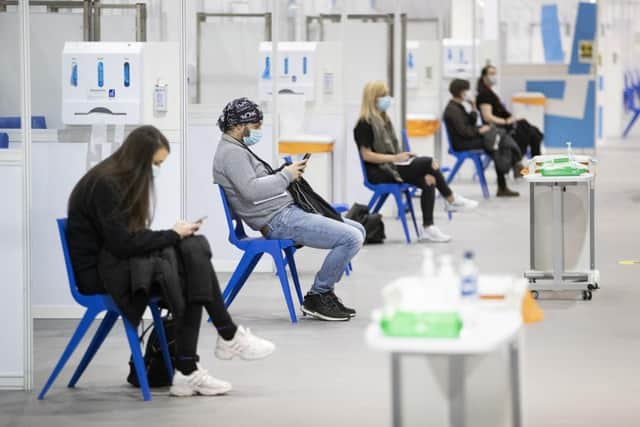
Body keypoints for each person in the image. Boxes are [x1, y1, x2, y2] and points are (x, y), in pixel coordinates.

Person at [67, 125, 275, 398]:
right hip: (101, 274)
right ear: (138, 159)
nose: (157, 170)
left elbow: (127, 239)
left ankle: (212, 351)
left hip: (116, 262)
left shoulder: (115, 180)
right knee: (189, 267)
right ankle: (213, 348)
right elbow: (121, 244)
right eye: (156, 164)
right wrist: (171, 234)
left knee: (193, 247)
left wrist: (174, 234)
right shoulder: (106, 185)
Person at [213, 98, 365, 322]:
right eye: (255, 127)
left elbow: (256, 184)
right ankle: (319, 294)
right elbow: (251, 191)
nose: (258, 131)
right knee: (351, 237)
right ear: (237, 126)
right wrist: (286, 176)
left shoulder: (236, 148)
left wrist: (285, 173)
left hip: (285, 214)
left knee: (358, 229)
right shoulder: (231, 153)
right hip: (279, 221)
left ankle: (322, 293)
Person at [354, 80, 478, 243]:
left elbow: (393, 151)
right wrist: (395, 158)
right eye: (384, 95)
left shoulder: (385, 121)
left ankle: (428, 228)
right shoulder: (364, 124)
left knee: (429, 180)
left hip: (393, 166)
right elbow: (367, 155)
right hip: (379, 172)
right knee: (428, 162)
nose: (388, 98)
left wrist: (404, 155)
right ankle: (451, 199)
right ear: (373, 98)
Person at [444, 79, 525, 197]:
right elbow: (464, 131)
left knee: (498, 139)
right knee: (497, 140)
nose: (468, 93)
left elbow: (470, 122)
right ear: (461, 92)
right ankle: (515, 165)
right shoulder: (452, 110)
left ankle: (512, 169)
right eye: (466, 91)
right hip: (462, 143)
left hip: (468, 139)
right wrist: (479, 130)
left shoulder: (458, 106)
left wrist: (472, 107)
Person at [476, 64, 543, 157]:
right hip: (498, 129)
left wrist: (510, 118)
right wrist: (506, 121)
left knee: (534, 132)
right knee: (533, 132)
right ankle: (531, 161)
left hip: (504, 125)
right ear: (484, 76)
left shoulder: (490, 93)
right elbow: (487, 117)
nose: (494, 76)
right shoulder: (484, 94)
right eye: (491, 74)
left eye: (495, 74)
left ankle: (535, 161)